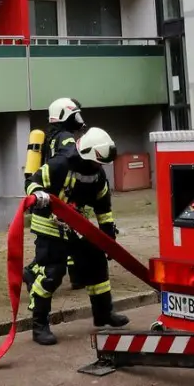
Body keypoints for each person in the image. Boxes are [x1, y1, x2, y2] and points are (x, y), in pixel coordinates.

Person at [24, 126, 128, 346]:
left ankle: (103, 313)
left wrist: (108, 239)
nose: (100, 167)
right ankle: (39, 325)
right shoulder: (59, 165)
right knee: (53, 272)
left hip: (76, 224)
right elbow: (32, 181)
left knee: (96, 262)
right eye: (97, 161)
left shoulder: (98, 175)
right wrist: (37, 193)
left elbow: (103, 207)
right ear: (88, 153)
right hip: (49, 223)